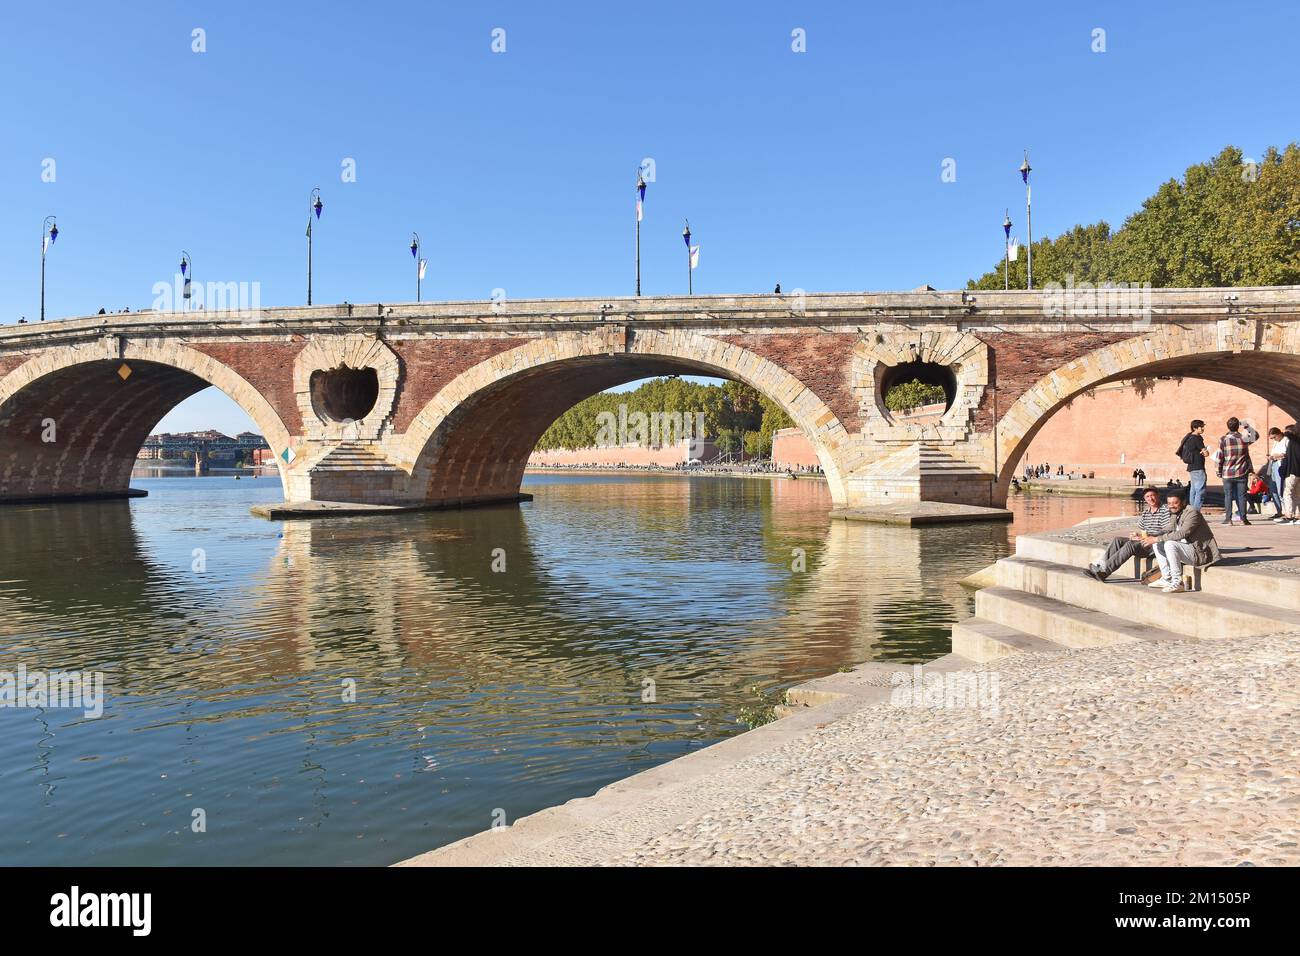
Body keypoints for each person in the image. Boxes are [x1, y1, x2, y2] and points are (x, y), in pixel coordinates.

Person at [1139, 488, 1221, 593]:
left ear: (1183, 502)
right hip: (1187, 550)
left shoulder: (1192, 513)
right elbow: (1169, 528)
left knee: (1170, 544)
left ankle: (1177, 582)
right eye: (1169, 503)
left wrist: (1156, 538)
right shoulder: (1175, 512)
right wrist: (1150, 536)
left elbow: (1182, 533)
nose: (1171, 506)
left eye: (1175, 503)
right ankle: (1167, 578)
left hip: (1200, 553)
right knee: (1157, 544)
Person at [1085, 487, 1174, 582]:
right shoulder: (1145, 513)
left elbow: (1166, 530)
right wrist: (1136, 535)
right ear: (1145, 499)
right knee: (1118, 540)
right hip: (1144, 542)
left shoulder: (1165, 510)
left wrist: (1146, 536)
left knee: (1130, 545)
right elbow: (1143, 531)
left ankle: (1105, 572)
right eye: (1147, 497)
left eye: (1152, 495)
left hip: (1156, 544)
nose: (1150, 498)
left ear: (1158, 496)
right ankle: (1101, 565)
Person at [1217, 417, 1258, 525]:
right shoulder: (1244, 438)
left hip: (1227, 472)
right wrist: (1246, 425)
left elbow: (1220, 456)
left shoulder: (1223, 439)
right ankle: (1243, 519)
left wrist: (1218, 471)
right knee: (1242, 496)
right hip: (1242, 471)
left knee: (1228, 496)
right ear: (1237, 426)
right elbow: (1256, 435)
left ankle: (1228, 519)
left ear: (1228, 426)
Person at [1175, 420, 1209, 510]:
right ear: (1195, 428)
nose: (1203, 429)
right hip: (1198, 466)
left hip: (1191, 467)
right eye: (1201, 427)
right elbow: (1205, 453)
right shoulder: (1197, 438)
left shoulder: (1188, 437)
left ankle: (1190, 511)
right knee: (1200, 490)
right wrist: (1206, 451)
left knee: (1193, 490)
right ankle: (1196, 513)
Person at [1266, 427, 1289, 520]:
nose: (1273, 439)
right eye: (1271, 438)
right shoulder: (1276, 442)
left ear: (1279, 434)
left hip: (1280, 465)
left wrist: (1275, 456)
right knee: (1273, 490)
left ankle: (1286, 512)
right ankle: (1279, 511)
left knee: (1281, 490)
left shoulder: (1285, 440)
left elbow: (1286, 454)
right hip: (1273, 466)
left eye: (1274, 437)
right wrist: (1271, 457)